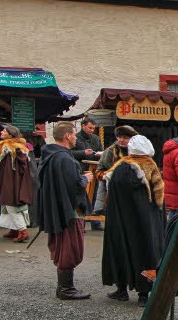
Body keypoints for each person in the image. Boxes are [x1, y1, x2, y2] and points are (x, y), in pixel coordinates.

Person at [102, 135, 165, 306]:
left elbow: (110, 192)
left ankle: (121, 289)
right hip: (144, 221)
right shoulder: (150, 167)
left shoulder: (119, 168)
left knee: (120, 248)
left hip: (121, 219)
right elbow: (159, 199)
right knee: (145, 250)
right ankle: (143, 294)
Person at [37, 121, 94, 300]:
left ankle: (64, 287)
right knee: (70, 246)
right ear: (67, 136)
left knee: (62, 245)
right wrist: (85, 179)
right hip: (70, 210)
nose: (76, 137)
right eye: (74, 134)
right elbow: (73, 186)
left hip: (57, 208)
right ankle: (66, 289)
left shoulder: (50, 156)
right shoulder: (64, 158)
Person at [93, 125, 137, 215]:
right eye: (119, 137)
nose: (121, 140)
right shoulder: (110, 151)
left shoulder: (136, 151)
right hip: (112, 187)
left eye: (125, 137)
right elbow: (98, 172)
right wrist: (107, 176)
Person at [71, 118, 104, 230]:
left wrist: (100, 154)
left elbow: (100, 150)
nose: (91, 130)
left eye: (93, 128)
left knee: (94, 196)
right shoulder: (75, 137)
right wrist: (83, 152)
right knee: (81, 197)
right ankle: (81, 223)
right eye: (90, 128)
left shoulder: (95, 138)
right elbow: (70, 152)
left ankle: (96, 223)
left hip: (94, 170)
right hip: (80, 170)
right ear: (83, 126)